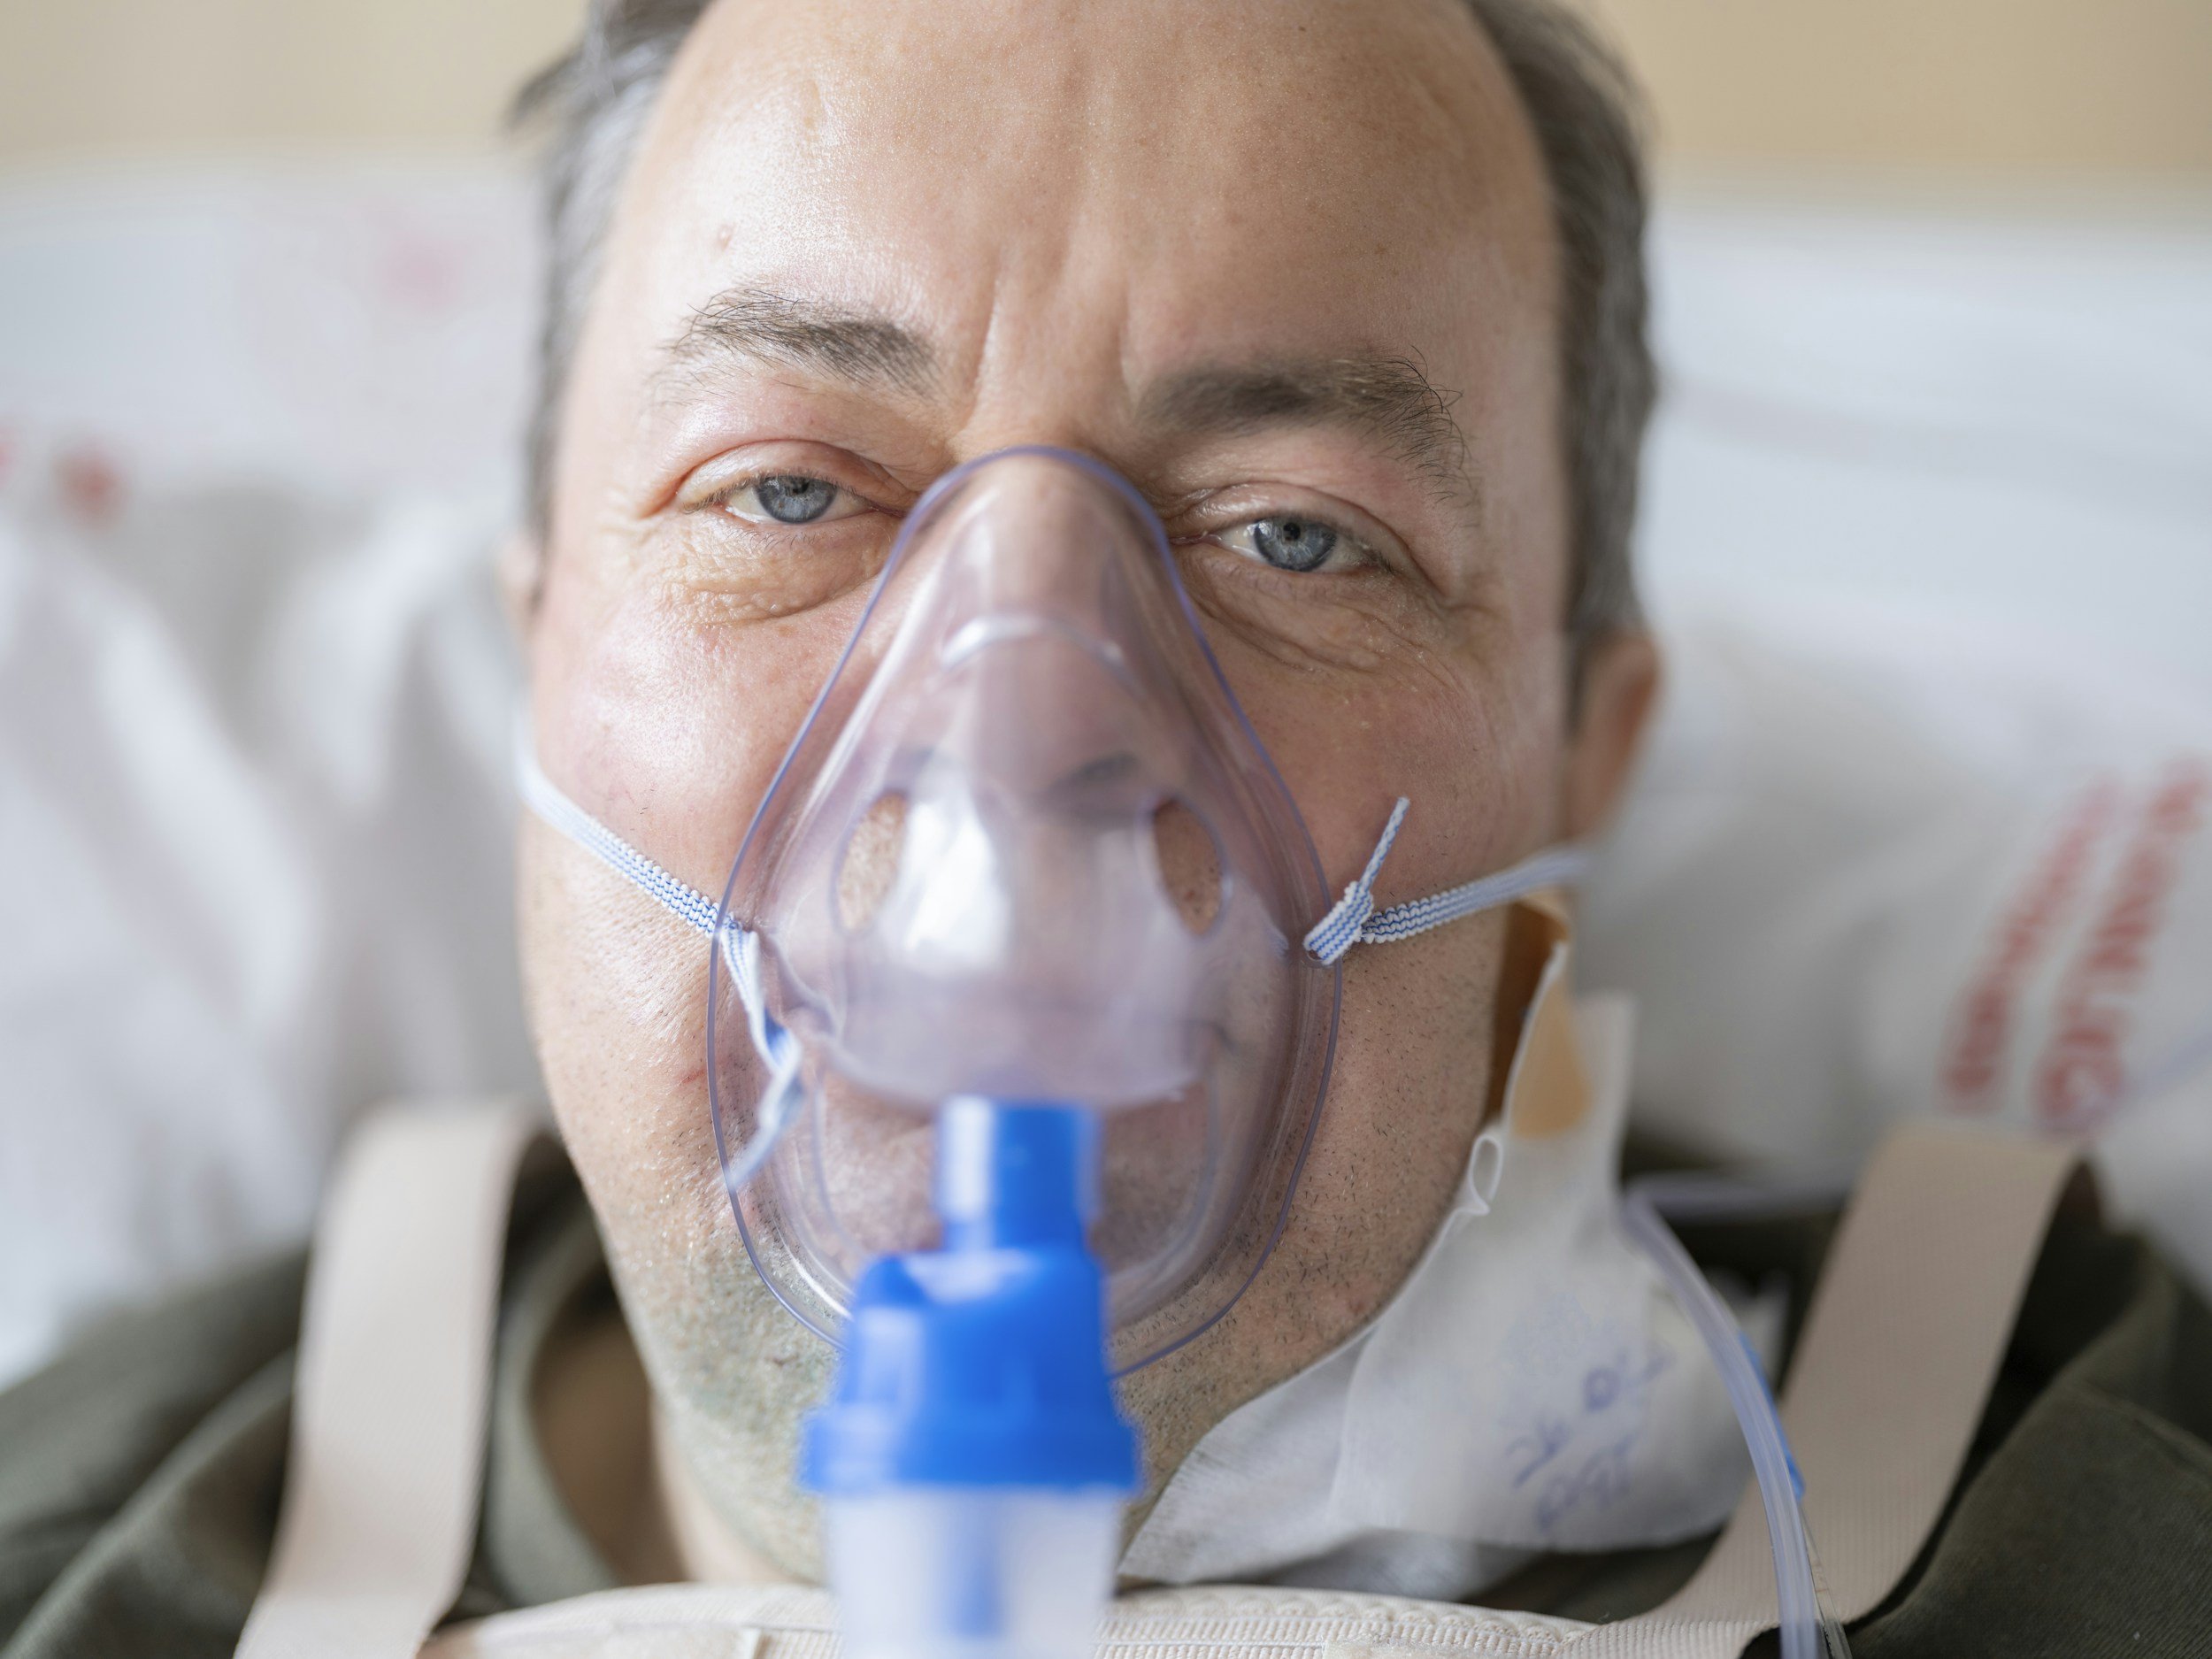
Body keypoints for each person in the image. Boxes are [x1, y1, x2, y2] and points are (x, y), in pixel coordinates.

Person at [3, 1, 2208, 1655]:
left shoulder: (2084, 1511)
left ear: (1582, 758)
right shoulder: (100, 1542)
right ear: (537, 657)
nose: (1021, 729)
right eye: (789, 490)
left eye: (1293, 537)